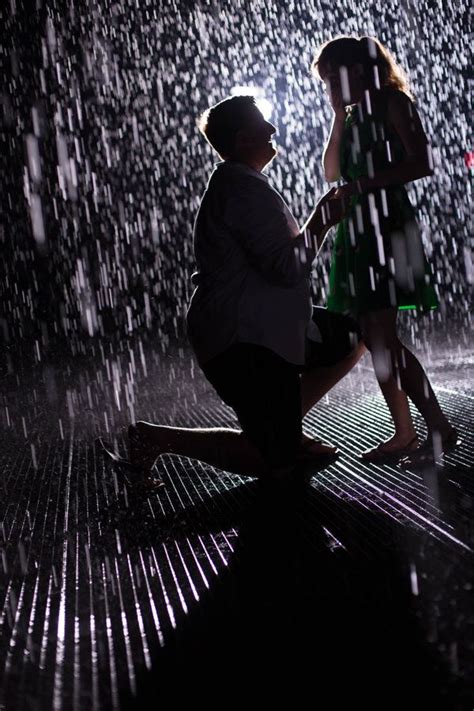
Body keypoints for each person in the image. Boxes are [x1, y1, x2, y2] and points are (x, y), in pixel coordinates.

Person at [101, 95, 364, 487]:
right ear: (243, 140)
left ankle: (283, 429)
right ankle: (154, 438)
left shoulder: (239, 185)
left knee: (354, 336)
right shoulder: (242, 191)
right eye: (263, 126)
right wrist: (321, 221)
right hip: (244, 340)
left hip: (258, 329)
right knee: (275, 464)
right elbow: (283, 266)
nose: (273, 131)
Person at [312, 35, 458, 464]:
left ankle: (435, 428)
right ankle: (408, 431)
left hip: (386, 225)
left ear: (356, 70)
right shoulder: (355, 115)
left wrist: (363, 186)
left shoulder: (393, 102)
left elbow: (422, 161)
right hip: (360, 227)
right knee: (377, 339)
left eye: (332, 81)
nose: (331, 92)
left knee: (382, 338)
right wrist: (338, 116)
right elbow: (330, 171)